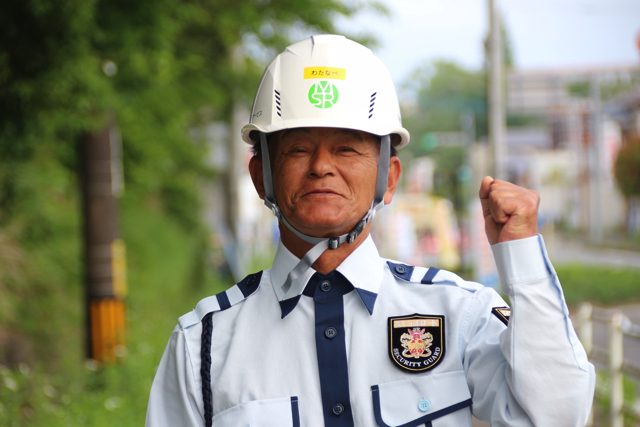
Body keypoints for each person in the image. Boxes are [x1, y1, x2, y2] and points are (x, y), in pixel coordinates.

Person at [146, 35, 595, 427]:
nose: (322, 167)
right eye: (298, 148)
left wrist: (523, 259)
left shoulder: (460, 314)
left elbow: (556, 416)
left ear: (390, 178)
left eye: (346, 148)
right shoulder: (201, 346)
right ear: (261, 175)